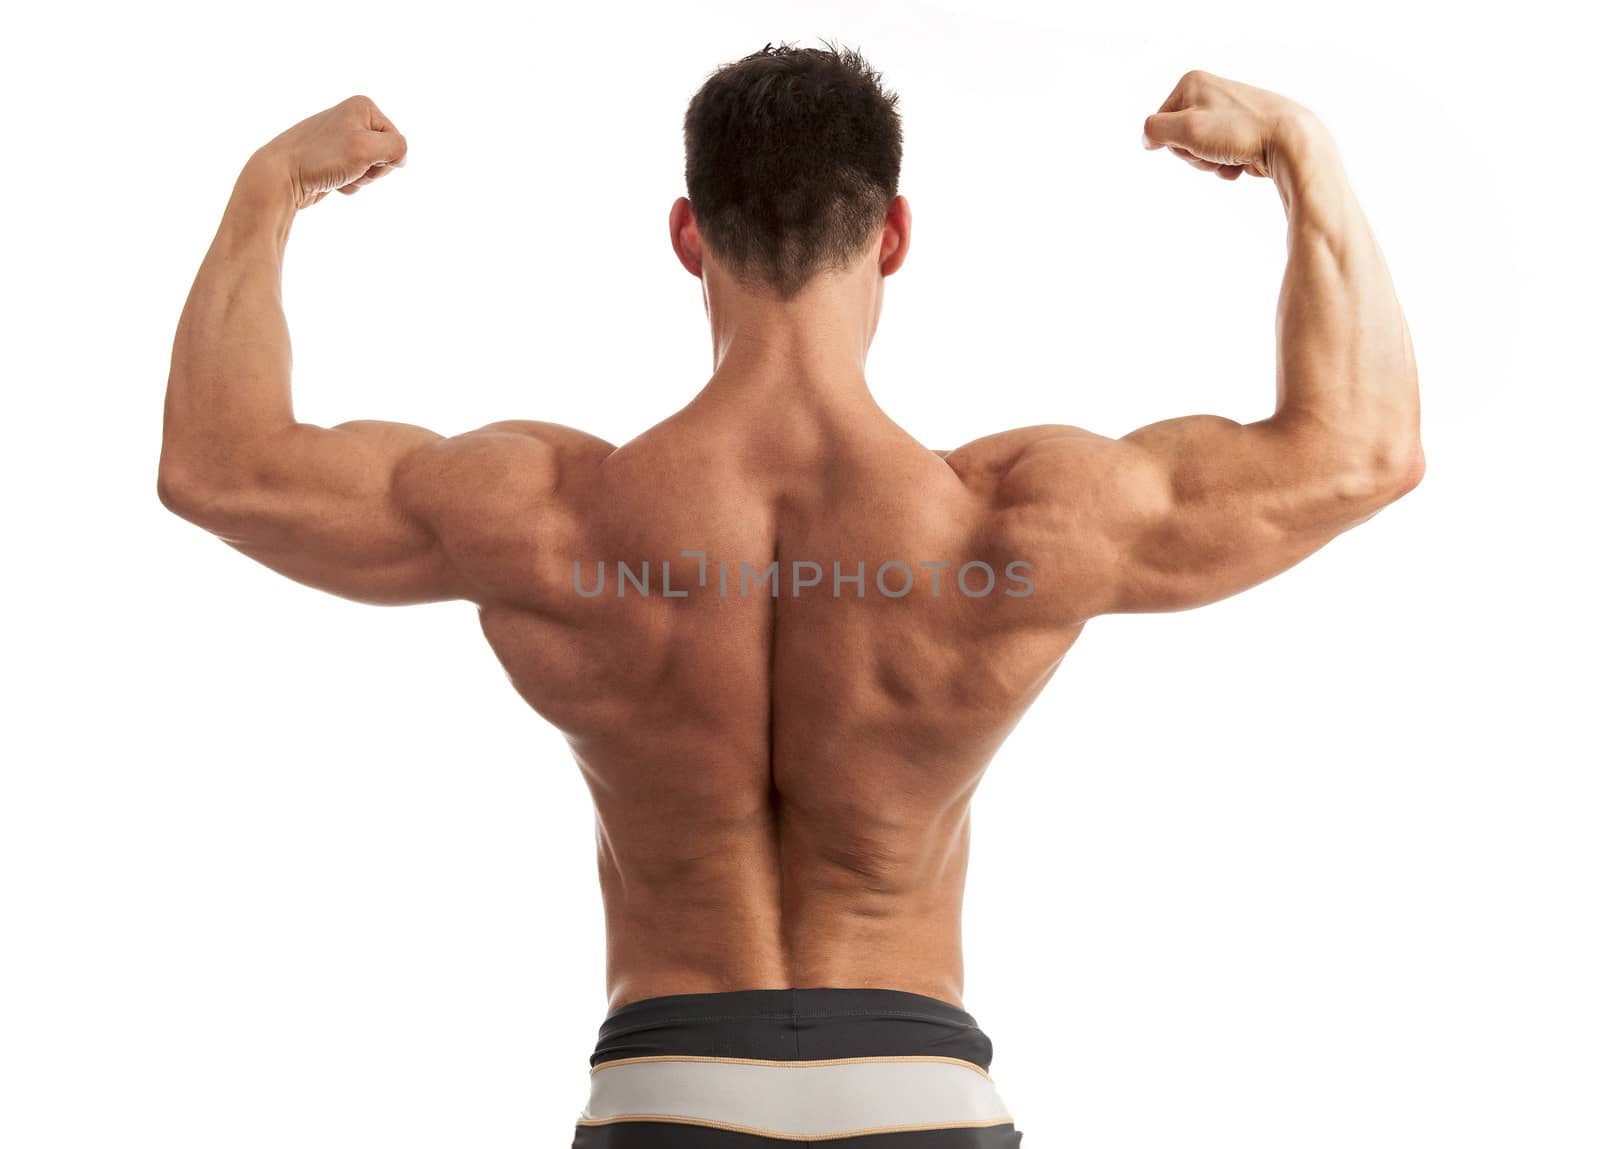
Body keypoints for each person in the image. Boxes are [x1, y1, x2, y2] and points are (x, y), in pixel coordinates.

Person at [157, 42, 1422, 1148]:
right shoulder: (1014, 522)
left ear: (687, 234)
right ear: (895, 236)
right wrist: (1300, 156)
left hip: (665, 1085)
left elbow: (221, 469)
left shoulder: (548, 516)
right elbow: (1361, 449)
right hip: (920, 1092)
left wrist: (271, 190)